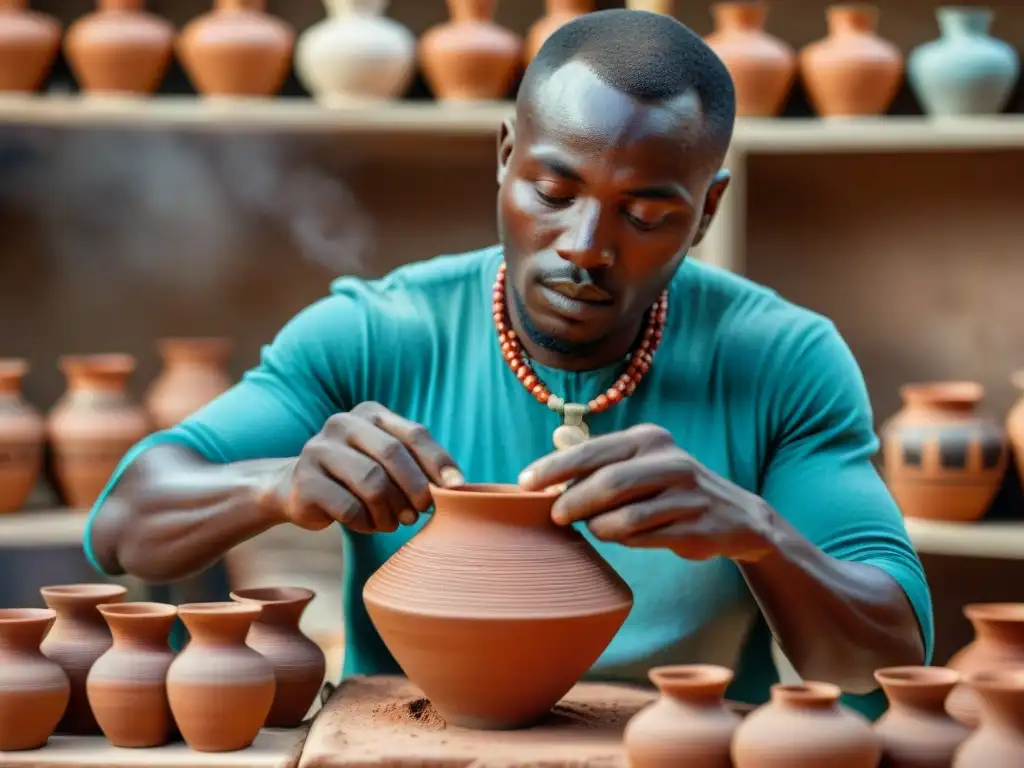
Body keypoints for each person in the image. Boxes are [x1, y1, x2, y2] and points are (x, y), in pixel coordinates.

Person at [84, 9, 932, 717]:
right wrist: (278, 485)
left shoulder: (783, 359)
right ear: (503, 159)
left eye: (645, 213)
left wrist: (759, 534)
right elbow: (124, 528)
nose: (586, 248)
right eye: (553, 195)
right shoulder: (377, 331)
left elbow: (884, 658)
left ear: (706, 212)